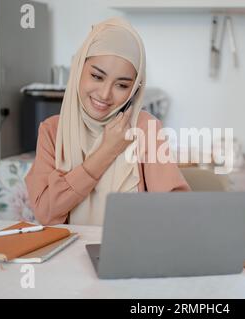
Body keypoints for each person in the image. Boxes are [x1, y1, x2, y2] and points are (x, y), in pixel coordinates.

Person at [25, 18, 190, 226]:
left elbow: (176, 211)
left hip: (131, 253)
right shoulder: (52, 131)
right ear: (78, 69)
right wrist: (107, 151)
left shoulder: (143, 128)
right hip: (66, 254)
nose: (104, 94)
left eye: (122, 85)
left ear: (134, 91)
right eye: (97, 76)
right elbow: (46, 213)